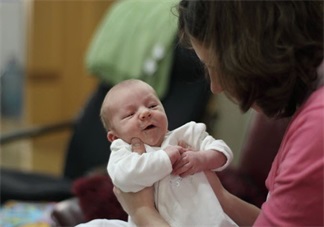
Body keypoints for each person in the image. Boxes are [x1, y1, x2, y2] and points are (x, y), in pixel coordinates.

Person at [113, 1, 324, 226]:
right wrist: (219, 197)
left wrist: (142, 212)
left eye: (216, 67)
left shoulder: (316, 129)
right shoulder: (310, 112)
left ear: (252, 53)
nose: (215, 87)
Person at [78, 79, 237, 227]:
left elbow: (223, 151)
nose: (145, 113)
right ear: (115, 137)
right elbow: (123, 178)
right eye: (130, 114)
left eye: (152, 106)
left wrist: (202, 158)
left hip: (206, 220)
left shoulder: (187, 134)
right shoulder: (123, 152)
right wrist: (165, 158)